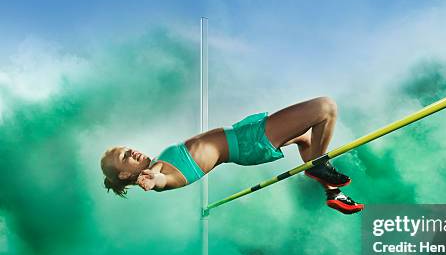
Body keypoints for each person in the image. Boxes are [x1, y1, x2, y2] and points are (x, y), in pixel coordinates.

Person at [100, 97, 364, 214]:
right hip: (248, 142)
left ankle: (332, 192)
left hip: (243, 137)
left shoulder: (160, 161)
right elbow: (160, 178)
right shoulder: (158, 171)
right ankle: (318, 168)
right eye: (125, 156)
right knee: (325, 108)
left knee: (307, 140)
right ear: (125, 174)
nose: (131, 151)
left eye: (126, 148)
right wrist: (151, 179)